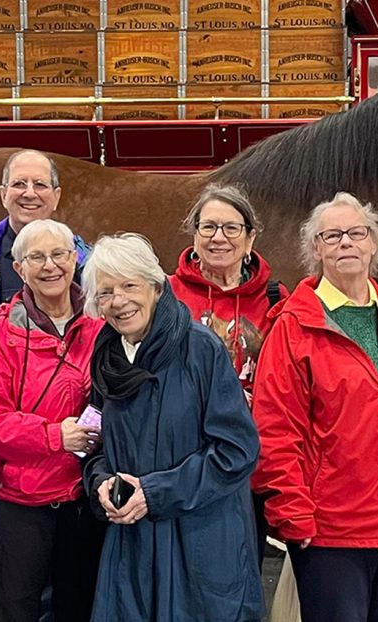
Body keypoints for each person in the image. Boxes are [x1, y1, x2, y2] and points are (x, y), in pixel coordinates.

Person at [251, 191, 378, 622]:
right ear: (316, 248)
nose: (346, 242)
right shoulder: (293, 327)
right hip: (333, 532)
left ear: (373, 243)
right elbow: (275, 431)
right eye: (332, 235)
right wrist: (292, 513)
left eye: (356, 233)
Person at [81, 233, 264, 621]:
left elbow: (237, 450)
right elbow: (97, 443)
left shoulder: (200, 349)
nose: (119, 301)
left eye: (130, 285)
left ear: (157, 286)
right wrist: (99, 482)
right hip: (130, 545)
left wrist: (154, 492)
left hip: (201, 543)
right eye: (106, 291)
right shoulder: (106, 356)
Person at [0, 219, 106, 621]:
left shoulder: (101, 330)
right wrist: (53, 436)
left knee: (78, 604)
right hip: (20, 500)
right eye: (37, 257)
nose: (50, 266)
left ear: (75, 259)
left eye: (59, 254)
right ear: (19, 268)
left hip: (82, 495)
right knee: (18, 605)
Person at [168, 183, 289, 568]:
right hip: (184, 458)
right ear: (194, 234)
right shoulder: (166, 295)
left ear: (250, 237)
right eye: (208, 227)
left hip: (247, 460)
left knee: (241, 571)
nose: (219, 238)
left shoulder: (275, 298)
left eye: (232, 228)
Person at [0, 149, 91, 322]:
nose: (30, 193)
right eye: (19, 184)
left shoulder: (88, 264)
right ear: (3, 195)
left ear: (56, 197)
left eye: (40, 184)